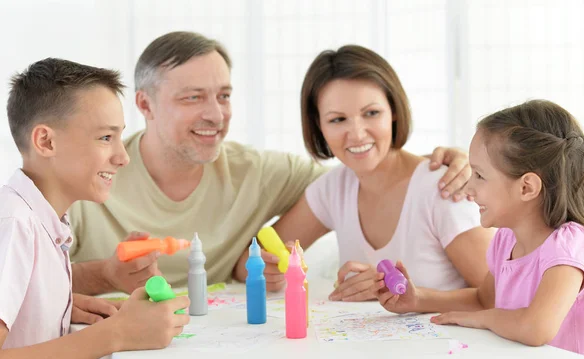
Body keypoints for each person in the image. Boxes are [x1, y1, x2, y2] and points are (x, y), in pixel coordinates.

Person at [68, 31, 473, 297]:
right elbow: (27, 286)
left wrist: (442, 165)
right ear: (144, 104)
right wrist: (104, 274)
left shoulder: (260, 172)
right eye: (193, 97)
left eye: (224, 96)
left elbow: (366, 168)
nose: (215, 114)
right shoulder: (89, 177)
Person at [0, 58, 190, 359]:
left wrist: (57, 304)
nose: (123, 157)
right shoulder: (15, 223)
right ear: (46, 142)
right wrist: (116, 333)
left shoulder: (43, 220)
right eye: (106, 137)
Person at [254, 45, 493, 302]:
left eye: (371, 113)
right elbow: (250, 260)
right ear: (318, 126)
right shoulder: (333, 188)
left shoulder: (443, 189)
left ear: (393, 112)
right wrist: (267, 267)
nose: (357, 133)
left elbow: (504, 297)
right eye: (337, 119)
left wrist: (402, 291)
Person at [375, 100, 584, 359]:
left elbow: (536, 328)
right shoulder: (506, 239)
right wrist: (418, 300)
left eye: (479, 176)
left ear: (526, 187)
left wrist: (485, 319)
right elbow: (484, 299)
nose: (469, 188)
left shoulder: (569, 243)